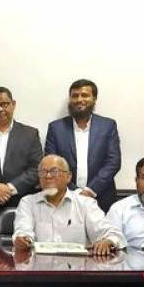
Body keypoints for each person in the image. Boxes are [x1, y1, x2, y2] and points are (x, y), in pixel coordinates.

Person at [13, 155, 125, 255]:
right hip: (40, 267)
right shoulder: (28, 203)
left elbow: (111, 234)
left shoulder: (85, 204)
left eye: (55, 171)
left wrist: (108, 241)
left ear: (68, 176)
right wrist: (23, 240)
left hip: (78, 268)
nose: (48, 176)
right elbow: (23, 231)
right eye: (43, 172)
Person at [45, 79, 121, 211]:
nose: (79, 99)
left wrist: (91, 190)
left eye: (85, 95)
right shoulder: (56, 128)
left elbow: (113, 162)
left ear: (94, 98)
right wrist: (75, 192)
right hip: (65, 198)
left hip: (101, 198)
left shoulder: (108, 126)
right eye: (75, 96)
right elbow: (52, 164)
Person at [0, 87, 43, 221]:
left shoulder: (30, 134)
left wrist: (8, 189)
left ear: (13, 104)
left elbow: (36, 168)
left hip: (21, 201)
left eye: (4, 104)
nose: (0, 109)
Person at [106, 156, 144, 248]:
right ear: (136, 181)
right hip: (130, 256)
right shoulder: (120, 209)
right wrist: (108, 242)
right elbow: (109, 239)